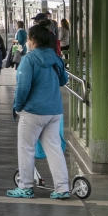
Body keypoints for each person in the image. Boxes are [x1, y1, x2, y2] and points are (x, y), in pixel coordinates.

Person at [8, 24, 72, 199]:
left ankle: (26, 186)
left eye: (29, 38)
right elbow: (63, 80)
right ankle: (62, 188)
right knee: (54, 149)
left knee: (26, 148)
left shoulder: (29, 60)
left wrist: (18, 106)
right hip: (54, 111)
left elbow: (23, 87)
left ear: (33, 40)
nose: (28, 41)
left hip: (33, 112)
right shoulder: (56, 58)